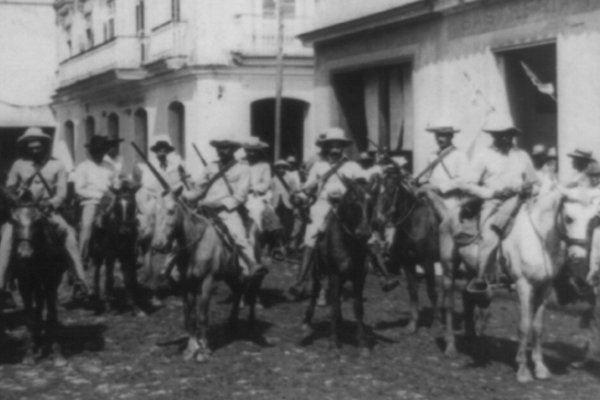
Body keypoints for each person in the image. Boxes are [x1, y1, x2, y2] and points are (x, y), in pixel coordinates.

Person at [0, 127, 89, 307]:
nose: (34, 150)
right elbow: (9, 188)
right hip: (22, 212)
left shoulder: (57, 165)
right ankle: (2, 285)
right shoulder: (19, 164)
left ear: (45, 146)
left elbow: (62, 192)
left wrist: (51, 203)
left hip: (47, 211)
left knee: (69, 234)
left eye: (38, 146)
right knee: (7, 238)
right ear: (26, 147)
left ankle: (80, 280)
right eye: (31, 147)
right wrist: (16, 197)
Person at [287, 127, 366, 298]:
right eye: (332, 146)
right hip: (322, 205)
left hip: (347, 208)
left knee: (367, 234)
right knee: (311, 236)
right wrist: (300, 196)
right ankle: (300, 281)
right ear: (326, 147)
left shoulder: (352, 166)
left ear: (343, 147)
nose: (335, 149)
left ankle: (383, 275)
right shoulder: (318, 166)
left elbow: (362, 186)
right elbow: (308, 187)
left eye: (339, 146)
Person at [461, 118, 538, 295]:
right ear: (494, 136)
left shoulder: (521, 155)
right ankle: (480, 278)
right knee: (491, 234)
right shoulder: (483, 155)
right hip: (494, 203)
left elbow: (535, 181)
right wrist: (492, 193)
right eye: (501, 135)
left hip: (521, 202)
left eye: (509, 135)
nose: (506, 139)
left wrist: (530, 187)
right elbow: (468, 184)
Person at [183, 136, 268, 280]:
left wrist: (221, 204)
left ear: (234, 150)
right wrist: (184, 196)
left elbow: (240, 196)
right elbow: (198, 189)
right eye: (219, 148)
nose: (221, 151)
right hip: (204, 209)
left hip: (227, 212)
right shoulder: (211, 167)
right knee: (180, 231)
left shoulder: (243, 168)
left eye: (225, 148)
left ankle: (249, 265)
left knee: (239, 237)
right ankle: (171, 269)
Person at [74, 135, 119, 268]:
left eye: (101, 151)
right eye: (96, 151)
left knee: (124, 221)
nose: (99, 154)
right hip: (91, 201)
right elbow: (79, 189)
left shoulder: (110, 166)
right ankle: (83, 257)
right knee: (87, 226)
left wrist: (114, 192)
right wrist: (99, 196)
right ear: (91, 151)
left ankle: (122, 254)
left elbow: (115, 184)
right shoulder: (83, 167)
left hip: (110, 200)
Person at [133, 135, 186, 240]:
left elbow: (177, 183)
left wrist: (172, 191)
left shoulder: (173, 167)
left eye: (164, 151)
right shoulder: (150, 167)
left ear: (167, 152)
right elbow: (147, 186)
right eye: (159, 151)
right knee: (147, 227)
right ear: (156, 153)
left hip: (170, 199)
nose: (162, 153)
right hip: (155, 199)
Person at [417, 124, 469, 216]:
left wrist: (438, 188)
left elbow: (462, 180)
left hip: (450, 200)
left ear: (451, 136)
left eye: (443, 135)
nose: (439, 139)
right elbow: (425, 176)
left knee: (450, 224)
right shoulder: (432, 155)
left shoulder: (459, 155)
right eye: (437, 135)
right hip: (430, 198)